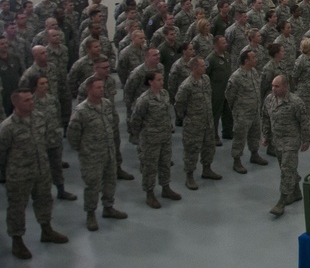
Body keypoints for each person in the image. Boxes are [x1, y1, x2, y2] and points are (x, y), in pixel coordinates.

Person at [0, 88, 70, 259]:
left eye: (31, 99)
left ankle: (46, 230)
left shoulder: (39, 117)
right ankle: (17, 240)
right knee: (17, 207)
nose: (31, 102)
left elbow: (44, 140)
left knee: (45, 199)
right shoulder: (7, 127)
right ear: (15, 103)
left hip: (41, 169)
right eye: (26, 100)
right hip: (19, 174)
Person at [67, 76, 129, 231]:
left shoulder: (107, 104)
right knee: (92, 185)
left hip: (109, 151)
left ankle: (108, 207)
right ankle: (90, 213)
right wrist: (84, 150)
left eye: (103, 87)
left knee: (110, 181)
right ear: (89, 90)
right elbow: (73, 135)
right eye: (98, 88)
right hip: (91, 155)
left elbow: (114, 123)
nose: (102, 90)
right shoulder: (81, 111)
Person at [130, 72, 182, 208]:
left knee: (165, 163)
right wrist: (140, 136)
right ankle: (150, 193)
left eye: (162, 79)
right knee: (150, 167)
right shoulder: (144, 99)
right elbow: (136, 119)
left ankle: (166, 187)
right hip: (150, 139)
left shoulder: (165, 94)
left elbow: (167, 113)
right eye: (158, 80)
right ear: (150, 82)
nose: (162, 82)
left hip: (165, 136)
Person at [262, 75, 310, 217]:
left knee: (286, 170)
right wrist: (265, 135)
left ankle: (282, 201)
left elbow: (305, 121)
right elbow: (265, 117)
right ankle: (296, 192)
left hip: (291, 141)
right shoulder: (269, 99)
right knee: (287, 168)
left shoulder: (295, 102)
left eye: (277, 86)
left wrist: (306, 140)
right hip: (277, 141)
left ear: (285, 87)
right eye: (272, 86)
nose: (273, 88)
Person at [174, 57, 221, 189]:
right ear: (194, 68)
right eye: (202, 66)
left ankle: (207, 169)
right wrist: (187, 118)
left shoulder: (205, 79)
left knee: (209, 147)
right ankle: (189, 176)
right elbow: (179, 104)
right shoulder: (186, 85)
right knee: (192, 150)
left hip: (207, 120)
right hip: (193, 124)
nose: (205, 67)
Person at [225, 50, 268, 174]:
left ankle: (254, 154)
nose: (256, 59)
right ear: (246, 61)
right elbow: (229, 96)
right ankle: (237, 160)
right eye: (253, 57)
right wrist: (237, 109)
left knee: (255, 133)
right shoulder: (236, 77)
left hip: (255, 110)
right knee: (240, 136)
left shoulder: (254, 72)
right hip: (242, 112)